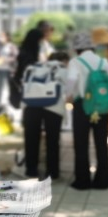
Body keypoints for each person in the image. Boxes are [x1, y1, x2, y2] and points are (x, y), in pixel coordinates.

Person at [66, 33, 108, 190]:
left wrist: (68, 96)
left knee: (81, 144)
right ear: (92, 47)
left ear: (76, 49)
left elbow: (71, 80)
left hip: (82, 106)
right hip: (102, 107)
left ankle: (82, 181)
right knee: (101, 143)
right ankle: (103, 181)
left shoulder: (75, 62)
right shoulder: (102, 61)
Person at [22, 51, 70, 180]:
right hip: (53, 107)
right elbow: (68, 89)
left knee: (31, 139)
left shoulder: (32, 68)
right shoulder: (62, 69)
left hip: (30, 105)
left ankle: (31, 170)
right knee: (52, 140)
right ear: (64, 60)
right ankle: (52, 172)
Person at [0, 32, 18, 105]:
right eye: (0, 36)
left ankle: (10, 102)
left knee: (10, 87)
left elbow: (15, 57)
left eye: (2, 36)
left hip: (8, 69)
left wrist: (6, 60)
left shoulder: (11, 46)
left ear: (7, 37)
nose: (0, 38)